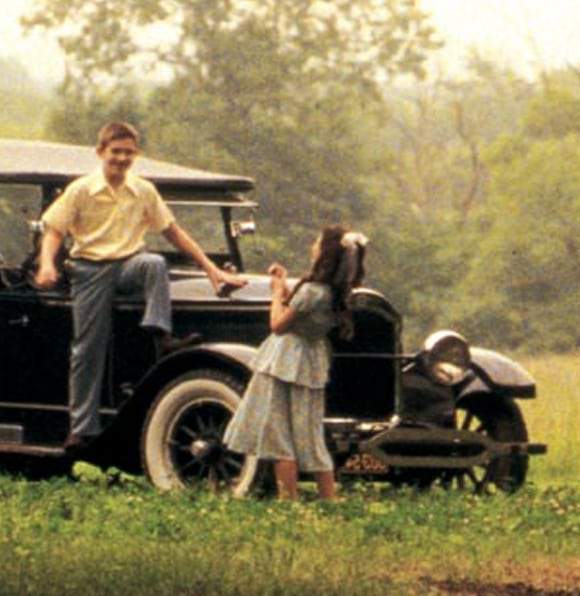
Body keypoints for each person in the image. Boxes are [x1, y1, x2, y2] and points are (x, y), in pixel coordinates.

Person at [34, 121, 246, 454]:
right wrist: (47, 264)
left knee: (156, 263)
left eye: (128, 153)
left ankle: (162, 337)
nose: (121, 159)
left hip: (129, 264)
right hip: (90, 268)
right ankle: (81, 428)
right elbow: (54, 231)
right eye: (115, 152)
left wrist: (212, 270)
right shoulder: (80, 189)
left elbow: (173, 231)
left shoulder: (144, 190)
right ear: (101, 152)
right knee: (88, 348)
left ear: (137, 155)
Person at [222, 225, 366, 502]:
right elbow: (302, 311)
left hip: (283, 361)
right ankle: (329, 499)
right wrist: (286, 283)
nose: (313, 246)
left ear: (326, 253)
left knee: (278, 435)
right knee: (309, 434)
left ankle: (288, 500)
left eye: (318, 243)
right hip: (310, 363)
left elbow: (278, 324)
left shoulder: (311, 290)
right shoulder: (335, 293)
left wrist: (276, 293)